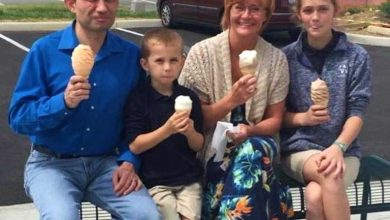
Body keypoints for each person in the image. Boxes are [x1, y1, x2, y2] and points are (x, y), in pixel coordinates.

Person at [8, 0, 160, 219]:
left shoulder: (130, 56)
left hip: (107, 163)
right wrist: (63, 102)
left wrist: (129, 160)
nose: (102, 7)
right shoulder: (44, 50)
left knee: (147, 215)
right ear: (71, 4)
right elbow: (18, 117)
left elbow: (139, 119)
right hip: (52, 164)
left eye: (110, 0)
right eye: (92, 0)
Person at [178, 0, 294, 219]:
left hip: (259, 141)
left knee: (251, 151)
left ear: (265, 16)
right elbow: (195, 121)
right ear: (228, 11)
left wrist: (249, 131)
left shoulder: (276, 60)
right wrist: (231, 100)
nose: (246, 15)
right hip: (211, 146)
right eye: (239, 7)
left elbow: (274, 121)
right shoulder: (201, 54)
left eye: (255, 8)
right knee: (250, 165)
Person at [279, 0, 372, 219]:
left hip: (345, 151)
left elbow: (357, 112)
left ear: (335, 11)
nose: (315, 17)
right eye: (308, 10)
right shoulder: (286, 58)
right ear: (299, 14)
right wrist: (303, 118)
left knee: (315, 195)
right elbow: (275, 116)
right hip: (299, 149)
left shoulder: (356, 57)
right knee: (329, 174)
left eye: (323, 9)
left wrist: (338, 147)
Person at [124, 28, 204, 220]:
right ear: (145, 64)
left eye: (173, 60)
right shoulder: (138, 98)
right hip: (154, 180)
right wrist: (167, 129)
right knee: (168, 213)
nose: (167, 67)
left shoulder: (189, 97)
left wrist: (191, 132)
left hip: (188, 178)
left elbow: (198, 144)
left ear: (182, 61)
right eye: (159, 61)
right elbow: (135, 145)